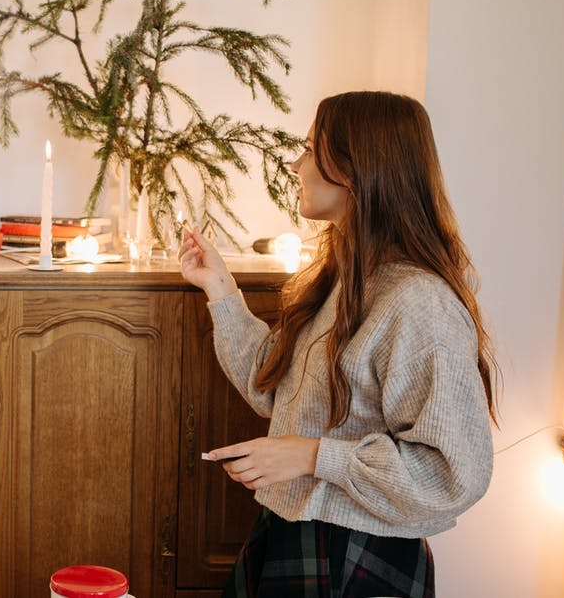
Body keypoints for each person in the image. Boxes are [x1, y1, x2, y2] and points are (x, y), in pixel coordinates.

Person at [178, 91, 496, 598]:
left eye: (308, 148)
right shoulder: (342, 280)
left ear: (353, 169)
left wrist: (314, 458)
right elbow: (272, 387)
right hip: (290, 532)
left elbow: (453, 473)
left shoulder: (417, 302)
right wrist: (220, 288)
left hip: (358, 556)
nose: (295, 163)